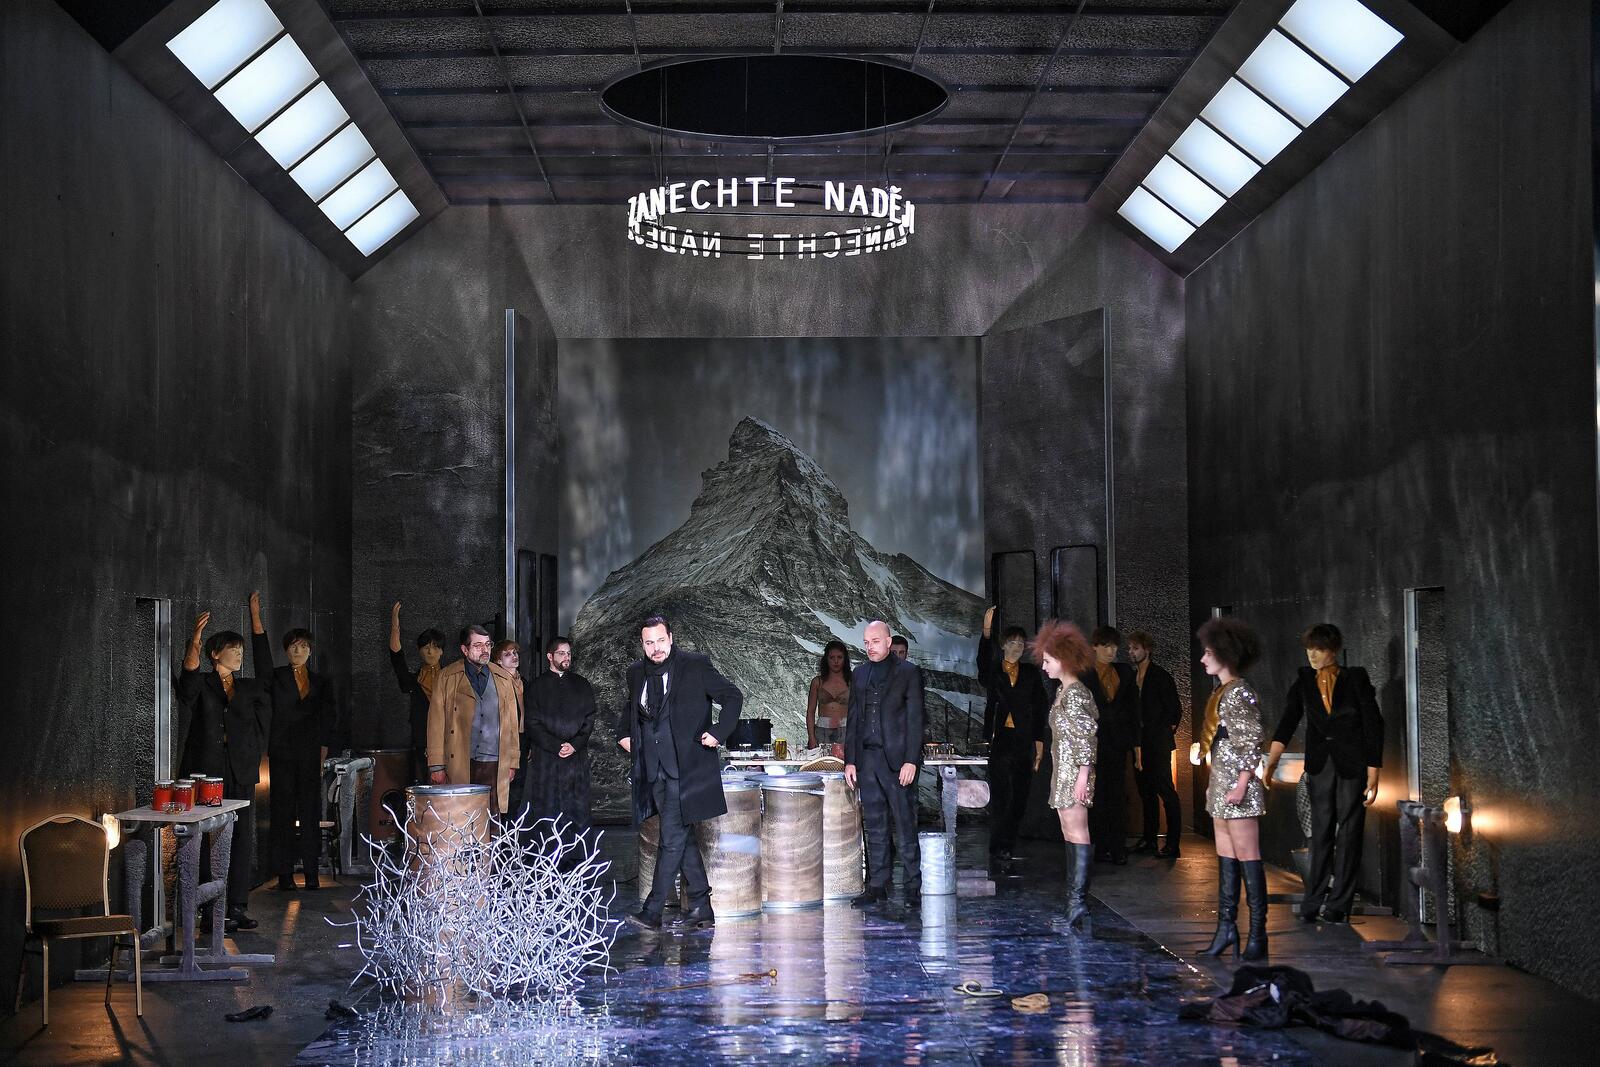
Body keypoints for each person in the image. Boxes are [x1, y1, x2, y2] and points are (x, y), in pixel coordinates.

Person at [619, 614, 743, 931]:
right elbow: (631, 709)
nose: (656, 648)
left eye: (661, 640)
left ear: (671, 638)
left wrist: (719, 732)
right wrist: (623, 734)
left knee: (671, 838)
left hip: (685, 769)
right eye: (649, 643)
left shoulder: (694, 665)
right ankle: (701, 906)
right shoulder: (636, 673)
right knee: (682, 837)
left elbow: (732, 696)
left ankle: (652, 911)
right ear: (642, 644)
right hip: (653, 770)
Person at [1264, 623, 1384, 923]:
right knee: (1320, 832)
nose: (1313, 655)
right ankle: (1313, 899)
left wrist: (1374, 768)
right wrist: (1272, 760)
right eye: (1309, 649)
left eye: (1319, 649)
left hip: (1352, 764)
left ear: (1334, 650)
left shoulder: (1355, 678)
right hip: (1320, 765)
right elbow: (1289, 719)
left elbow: (1373, 722)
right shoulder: (1304, 680)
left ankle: (1339, 904)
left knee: (1350, 831)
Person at [177, 607, 269, 930]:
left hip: (240, 768)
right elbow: (187, 685)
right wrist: (195, 642)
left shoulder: (247, 687)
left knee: (241, 836)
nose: (239, 654)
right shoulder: (204, 683)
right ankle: (206, 909)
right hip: (207, 771)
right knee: (205, 835)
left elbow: (268, 686)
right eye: (233, 648)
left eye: (241, 649)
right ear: (216, 654)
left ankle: (237, 906)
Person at [250, 593, 340, 892]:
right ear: (286, 650)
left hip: (310, 752)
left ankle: (312, 873)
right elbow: (261, 663)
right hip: (282, 753)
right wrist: (256, 620)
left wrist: (324, 748)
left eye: (303, 646)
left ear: (310, 651)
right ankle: (285, 875)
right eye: (293, 646)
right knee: (282, 813)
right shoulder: (275, 677)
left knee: (311, 812)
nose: (298, 651)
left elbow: (329, 716)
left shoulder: (321, 682)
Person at [1195, 617, 1269, 960]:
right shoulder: (1221, 691)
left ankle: (1257, 934)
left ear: (1225, 654)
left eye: (1208, 653)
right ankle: (1226, 928)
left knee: (1248, 857)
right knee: (1226, 857)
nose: (1203, 659)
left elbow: (1251, 741)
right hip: (1222, 785)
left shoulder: (1239, 691)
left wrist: (1241, 784)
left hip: (1239, 788)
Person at [844, 620, 925, 910]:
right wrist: (850, 760)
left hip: (897, 761)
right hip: (868, 760)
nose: (870, 647)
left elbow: (916, 719)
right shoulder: (859, 674)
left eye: (875, 641)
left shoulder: (908, 672)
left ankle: (913, 885)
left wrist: (911, 760)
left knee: (904, 824)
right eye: (866, 642)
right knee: (875, 825)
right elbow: (853, 719)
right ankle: (878, 884)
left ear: (889, 642)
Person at [1034, 620, 1097, 929]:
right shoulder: (1064, 691)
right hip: (1064, 770)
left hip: (1074, 772)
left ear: (1063, 659)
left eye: (1048, 660)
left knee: (1077, 832)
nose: (1044, 666)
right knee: (1069, 833)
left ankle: (1078, 902)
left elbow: (1087, 737)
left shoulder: (1076, 694)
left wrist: (1083, 775)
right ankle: (1074, 903)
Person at [425, 625, 523, 814]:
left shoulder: (503, 678)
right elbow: (436, 722)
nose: (485, 650)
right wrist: (436, 765)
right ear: (464, 649)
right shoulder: (447, 677)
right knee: (460, 816)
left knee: (492, 817)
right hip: (460, 759)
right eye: (478, 645)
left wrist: (512, 762)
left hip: (494, 761)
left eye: (487, 644)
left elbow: (512, 723)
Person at [977, 607, 1048, 862]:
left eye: (1021, 643)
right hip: (1000, 739)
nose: (1017, 647)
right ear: (1004, 645)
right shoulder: (994, 671)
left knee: (1020, 794)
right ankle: (998, 843)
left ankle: (1009, 842)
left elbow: (1040, 706)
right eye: (1013, 642)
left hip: (1023, 738)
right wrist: (986, 632)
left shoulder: (1030, 673)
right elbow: (983, 663)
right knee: (1001, 794)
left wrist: (1039, 740)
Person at [519, 636, 598, 834]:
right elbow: (532, 723)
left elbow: (589, 717)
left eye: (568, 653)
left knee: (578, 810)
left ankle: (578, 852)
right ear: (550, 656)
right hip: (547, 759)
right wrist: (556, 746)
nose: (566, 657)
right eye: (561, 653)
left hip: (576, 759)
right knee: (548, 810)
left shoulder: (582, 684)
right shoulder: (536, 687)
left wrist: (575, 744)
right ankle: (550, 851)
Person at [1084, 626, 1140, 864]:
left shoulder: (1124, 672)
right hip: (1095, 741)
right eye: (1106, 646)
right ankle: (1100, 846)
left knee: (1117, 794)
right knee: (1097, 794)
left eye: (1114, 646)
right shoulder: (1085, 673)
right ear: (1095, 647)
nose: (1111, 651)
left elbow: (1134, 709)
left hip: (1118, 741)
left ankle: (1117, 846)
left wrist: (1136, 744)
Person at [1127, 630, 1183, 858]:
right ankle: (1149, 839)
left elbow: (1174, 711)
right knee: (1146, 792)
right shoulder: (1132, 678)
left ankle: (1173, 843)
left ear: (1147, 650)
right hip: (1138, 743)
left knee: (1165, 790)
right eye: (1130, 648)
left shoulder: (1160, 676)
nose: (1131, 652)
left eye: (1135, 648)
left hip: (1157, 743)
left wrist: (1162, 734)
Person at [389, 601, 446, 781]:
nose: (430, 652)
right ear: (419, 651)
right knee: (423, 782)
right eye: (426, 647)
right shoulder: (414, 681)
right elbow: (397, 658)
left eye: (435, 647)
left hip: (448, 740)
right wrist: (395, 626)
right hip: (422, 740)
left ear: (442, 651)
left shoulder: (451, 678)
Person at [805, 640, 852, 750]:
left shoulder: (852, 681)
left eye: (839, 657)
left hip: (846, 730)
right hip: (822, 731)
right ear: (826, 659)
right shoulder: (817, 682)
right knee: (821, 760)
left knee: (845, 761)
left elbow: (860, 710)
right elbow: (810, 711)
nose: (836, 661)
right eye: (832, 657)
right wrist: (811, 737)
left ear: (845, 659)